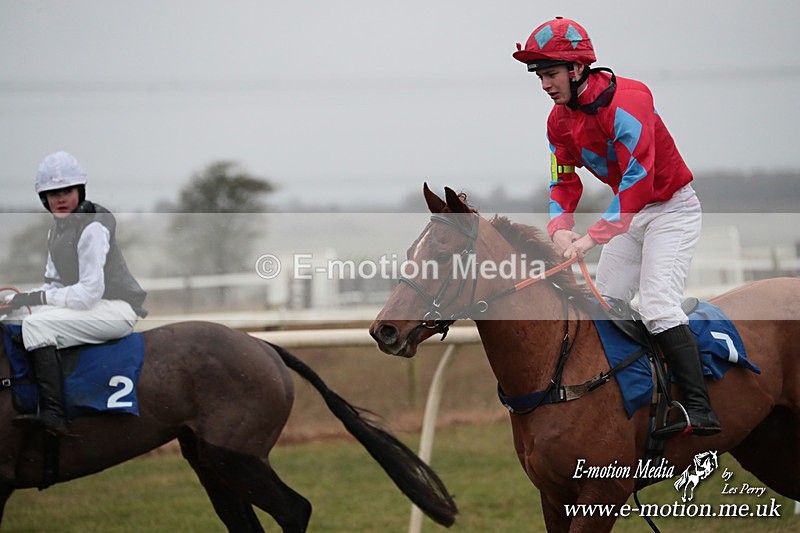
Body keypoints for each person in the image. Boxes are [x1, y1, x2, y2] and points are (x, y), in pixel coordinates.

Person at [513, 17, 720, 439]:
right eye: (539, 76)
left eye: (550, 74)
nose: (545, 85)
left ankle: (700, 410)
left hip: (671, 211)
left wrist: (591, 237)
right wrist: (559, 226)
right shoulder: (558, 121)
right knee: (603, 305)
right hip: (633, 215)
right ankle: (636, 398)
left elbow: (638, 181)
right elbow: (563, 180)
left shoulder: (629, 100)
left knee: (659, 307)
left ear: (576, 68)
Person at [2, 151, 147, 435]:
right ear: (44, 199)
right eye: (52, 193)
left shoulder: (92, 227)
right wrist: (17, 301)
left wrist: (37, 300)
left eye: (66, 191)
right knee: (20, 317)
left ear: (80, 190)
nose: (60, 198)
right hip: (92, 307)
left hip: (116, 310)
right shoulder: (55, 232)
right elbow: (53, 286)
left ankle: (53, 416)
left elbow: (88, 294)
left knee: (37, 325)